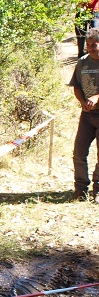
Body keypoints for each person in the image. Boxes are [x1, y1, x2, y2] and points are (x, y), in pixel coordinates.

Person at [70, 28, 99, 200]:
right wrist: (82, 101)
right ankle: (80, 190)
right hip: (87, 116)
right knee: (79, 152)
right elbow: (76, 86)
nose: (91, 49)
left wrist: (96, 97)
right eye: (88, 45)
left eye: (94, 45)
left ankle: (98, 189)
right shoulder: (82, 62)